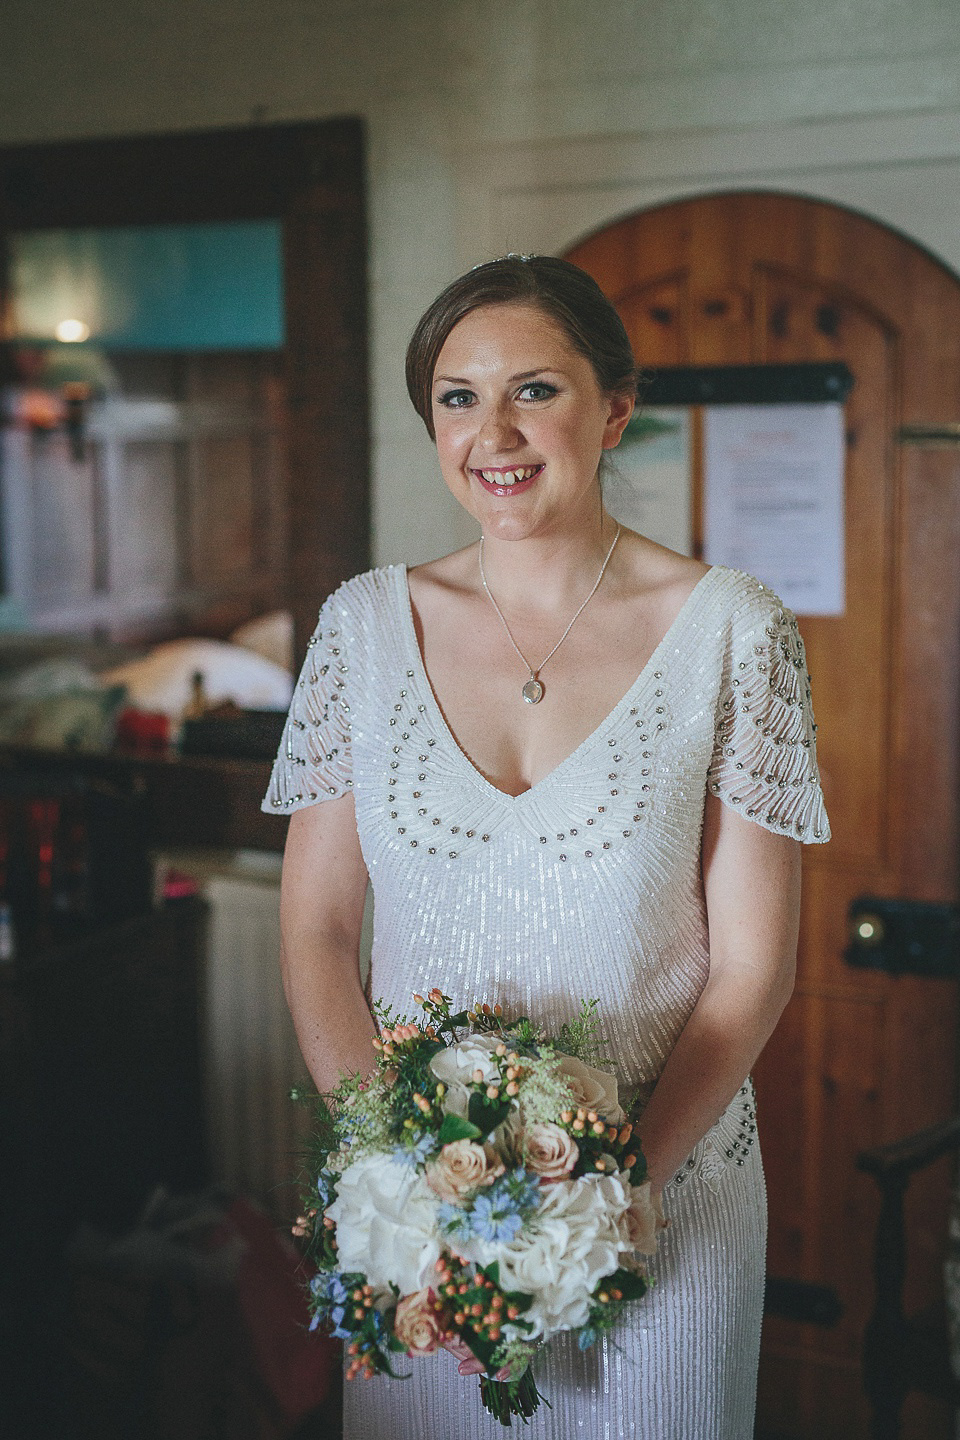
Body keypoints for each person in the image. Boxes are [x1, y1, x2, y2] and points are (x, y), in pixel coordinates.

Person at [264, 254, 830, 1439]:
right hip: (432, 1222)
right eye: (458, 398)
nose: (495, 432)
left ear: (615, 407)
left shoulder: (736, 632)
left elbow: (751, 970)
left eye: (537, 389)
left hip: (670, 1203)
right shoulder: (362, 631)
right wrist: (405, 1177)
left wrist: (623, 1190)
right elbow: (318, 930)